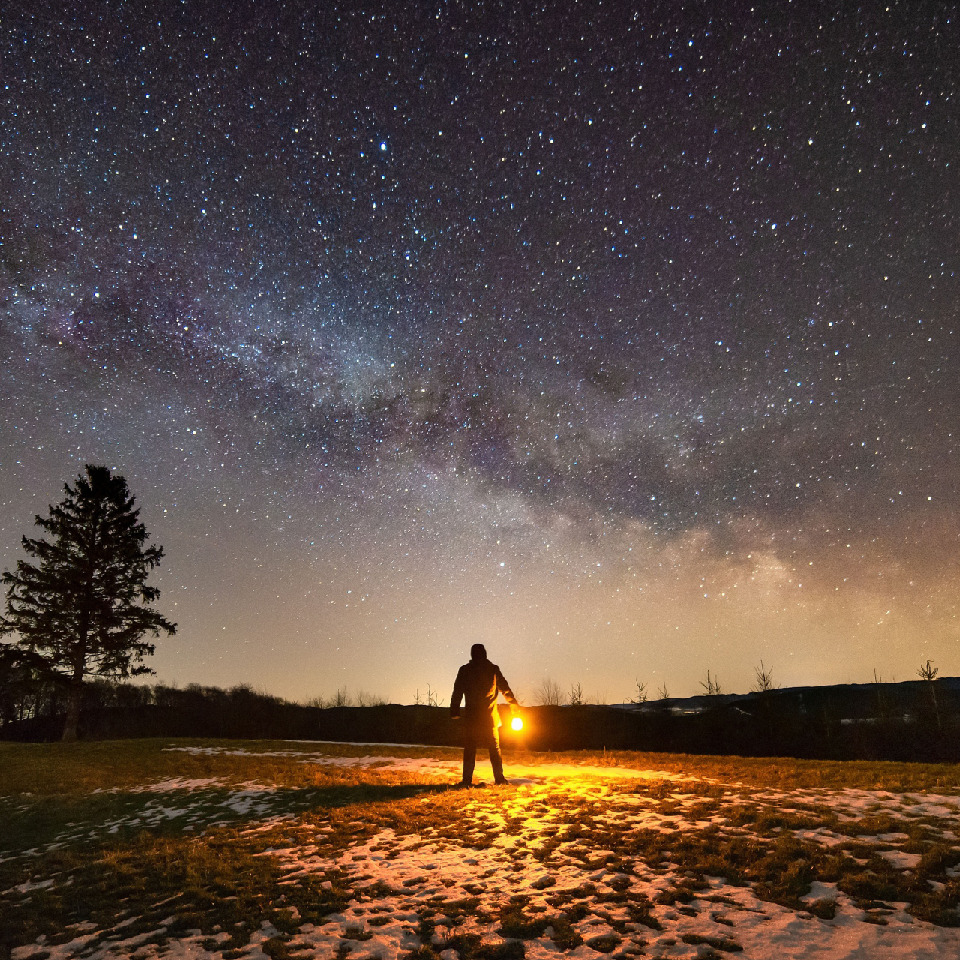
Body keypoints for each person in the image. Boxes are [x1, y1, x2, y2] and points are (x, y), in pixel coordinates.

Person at [450, 643, 520, 787]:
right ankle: (499, 778)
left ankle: (467, 780)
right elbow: (505, 689)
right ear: (485, 653)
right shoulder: (492, 670)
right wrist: (514, 705)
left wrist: (455, 710)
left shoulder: (465, 670)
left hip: (473, 718)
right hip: (489, 717)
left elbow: (457, 691)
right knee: (493, 748)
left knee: (471, 748)